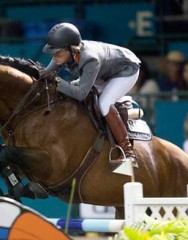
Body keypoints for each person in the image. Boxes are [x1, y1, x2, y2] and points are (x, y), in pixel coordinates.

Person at [41, 22, 141, 166]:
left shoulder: (90, 59)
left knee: (104, 103)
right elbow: (46, 74)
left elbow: (81, 93)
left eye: (58, 52)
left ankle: (128, 151)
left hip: (126, 70)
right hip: (104, 71)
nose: (54, 56)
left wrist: (57, 81)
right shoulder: (67, 53)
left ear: (71, 49)